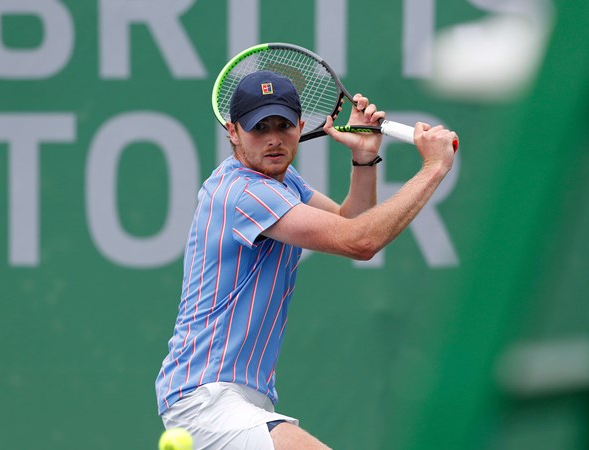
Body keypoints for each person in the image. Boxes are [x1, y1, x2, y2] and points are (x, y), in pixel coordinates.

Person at [155, 70, 458, 449]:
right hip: (206, 400)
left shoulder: (283, 181)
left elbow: (350, 224)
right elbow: (360, 241)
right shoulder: (243, 192)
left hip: (245, 398)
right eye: (258, 127)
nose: (273, 139)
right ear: (232, 131)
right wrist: (434, 167)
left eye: (283, 126)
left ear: (300, 126)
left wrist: (364, 159)